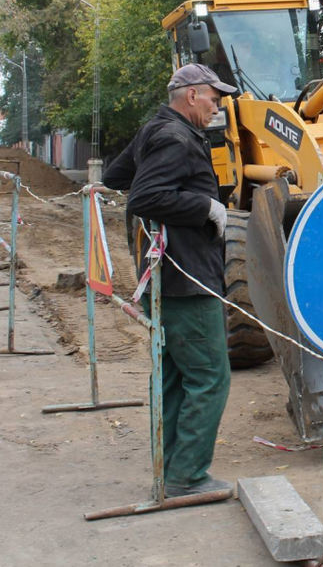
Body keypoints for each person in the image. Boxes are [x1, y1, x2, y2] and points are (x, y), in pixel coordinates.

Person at [103, 63, 237, 498]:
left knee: (177, 376)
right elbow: (145, 195)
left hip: (165, 273)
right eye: (213, 99)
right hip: (187, 278)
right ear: (192, 95)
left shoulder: (156, 131)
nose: (217, 107)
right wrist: (204, 207)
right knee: (210, 377)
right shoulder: (176, 136)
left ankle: (170, 467)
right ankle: (187, 476)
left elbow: (116, 177)